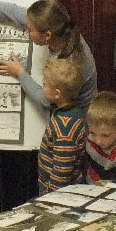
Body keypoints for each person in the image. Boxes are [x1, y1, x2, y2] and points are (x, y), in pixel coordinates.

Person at [0, 0, 97, 110]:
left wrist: (19, 73)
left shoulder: (72, 64)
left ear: (47, 35)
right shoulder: (57, 26)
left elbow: (46, 101)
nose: (27, 32)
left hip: (79, 119)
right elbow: (11, 11)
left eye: (30, 30)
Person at [37, 57, 87, 193]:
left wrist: (50, 198)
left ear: (57, 93)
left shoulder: (65, 127)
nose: (42, 87)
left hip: (57, 193)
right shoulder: (71, 112)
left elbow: (61, 171)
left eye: (45, 84)